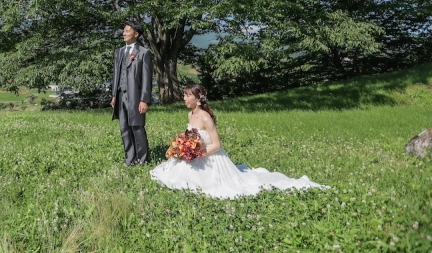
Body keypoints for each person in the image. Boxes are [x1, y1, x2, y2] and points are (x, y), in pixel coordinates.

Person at [149, 84, 328, 199]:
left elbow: (217, 145)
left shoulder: (205, 117)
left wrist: (197, 153)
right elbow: (190, 136)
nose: (184, 98)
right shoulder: (190, 114)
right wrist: (182, 147)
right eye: (184, 95)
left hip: (209, 156)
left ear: (198, 98)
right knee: (173, 173)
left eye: (187, 96)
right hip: (195, 154)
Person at [111, 20, 152, 166]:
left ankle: (142, 159)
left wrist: (144, 100)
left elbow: (147, 78)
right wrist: (114, 95)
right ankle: (130, 159)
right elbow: (116, 75)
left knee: (137, 127)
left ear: (136, 34)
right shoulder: (119, 52)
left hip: (135, 96)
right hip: (120, 95)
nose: (124, 33)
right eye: (124, 31)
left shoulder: (144, 53)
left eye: (127, 31)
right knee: (124, 128)